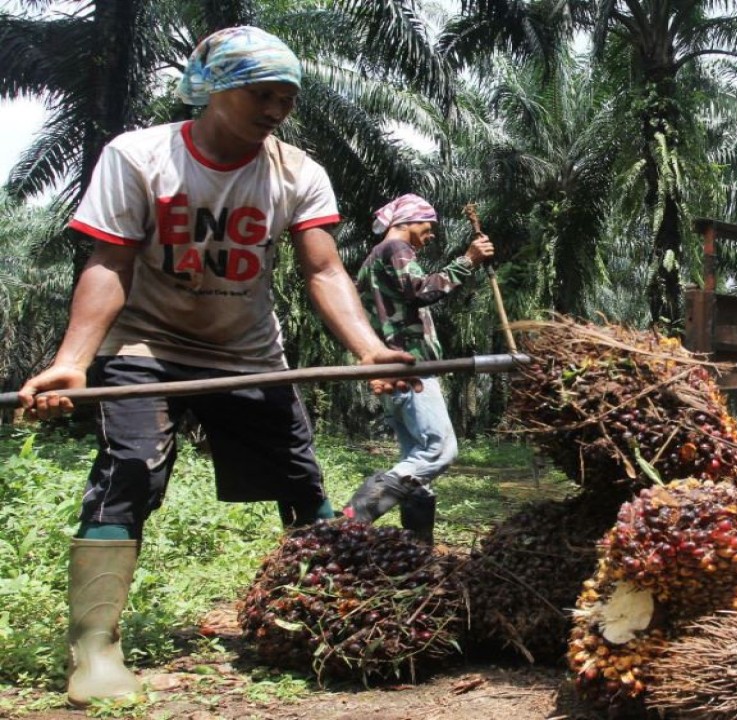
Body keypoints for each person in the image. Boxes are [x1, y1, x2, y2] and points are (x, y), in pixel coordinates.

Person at [16, 26, 413, 706]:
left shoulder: (298, 172)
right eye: (262, 94)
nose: (276, 110)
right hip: (144, 345)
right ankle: (95, 649)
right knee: (130, 471)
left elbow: (324, 271)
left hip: (245, 350)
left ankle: (330, 610)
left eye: (287, 98)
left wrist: (370, 350)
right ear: (213, 89)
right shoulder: (140, 156)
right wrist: (72, 362)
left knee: (298, 477)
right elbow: (109, 262)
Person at [342, 194, 494, 544]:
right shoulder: (396, 249)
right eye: (429, 224)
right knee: (439, 451)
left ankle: (417, 546)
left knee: (416, 461)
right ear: (408, 221)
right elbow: (421, 291)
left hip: (392, 369)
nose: (431, 233)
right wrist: (468, 261)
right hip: (410, 366)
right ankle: (355, 514)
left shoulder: (372, 260)